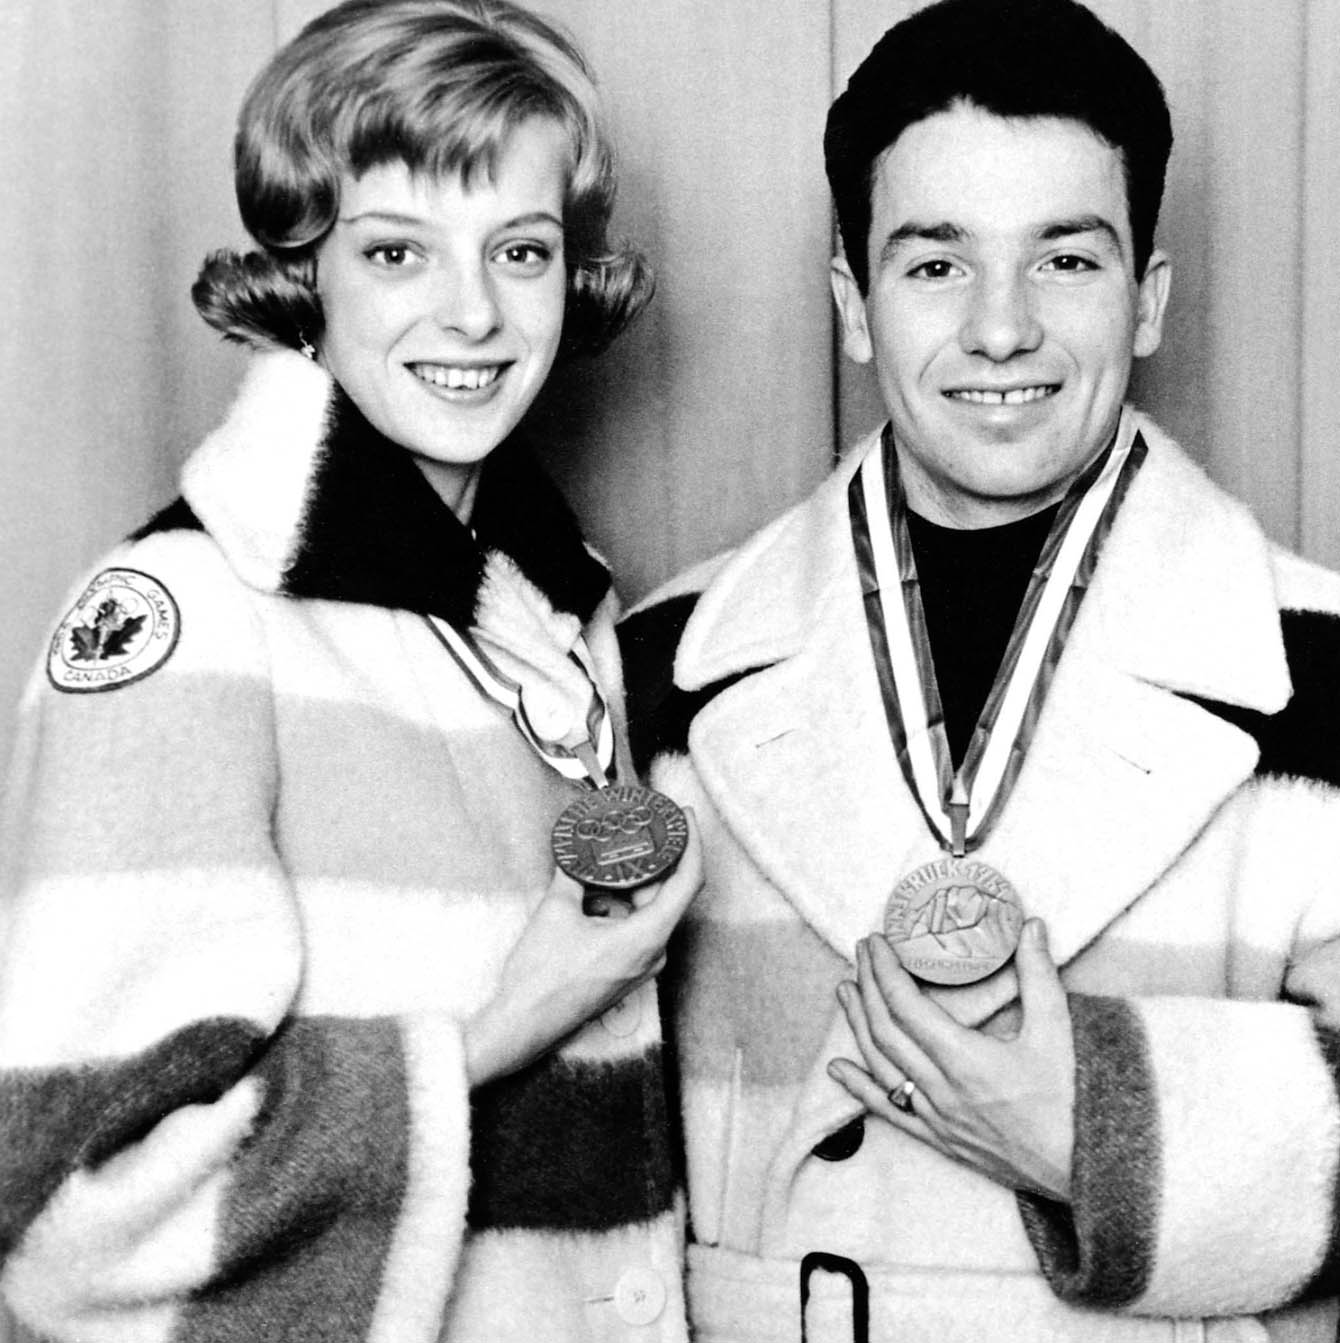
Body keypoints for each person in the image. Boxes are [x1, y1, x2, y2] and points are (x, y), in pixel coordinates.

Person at [620, 0, 1340, 1339]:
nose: (999, 330)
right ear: (854, 305)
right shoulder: (662, 662)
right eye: (935, 266)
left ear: (1149, 300)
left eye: (1064, 261)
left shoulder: (1324, 666)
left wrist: (1099, 1127)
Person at [0, 3, 700, 1340]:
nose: (476, 311)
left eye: (522, 249)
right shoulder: (189, 622)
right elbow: (61, 1220)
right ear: (303, 278)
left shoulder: (559, 617)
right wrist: (498, 1028)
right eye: (397, 251)